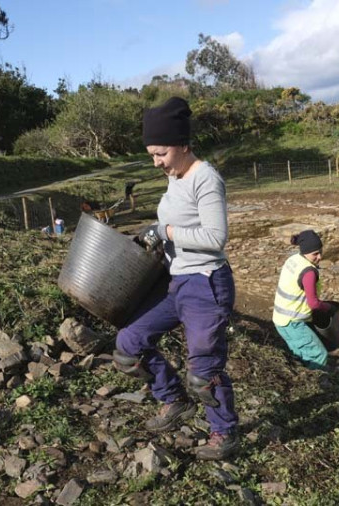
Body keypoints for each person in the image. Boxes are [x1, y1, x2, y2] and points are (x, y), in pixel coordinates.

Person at [112, 97, 239, 461]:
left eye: (161, 153)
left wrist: (166, 230)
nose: (156, 162)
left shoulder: (205, 178)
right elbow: (175, 227)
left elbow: (216, 238)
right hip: (176, 281)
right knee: (129, 344)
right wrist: (155, 239)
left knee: (204, 369)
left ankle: (224, 431)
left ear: (183, 144)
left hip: (206, 283)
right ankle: (172, 399)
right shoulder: (176, 175)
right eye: (152, 154)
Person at [272, 229, 333, 370]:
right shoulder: (309, 272)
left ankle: (305, 375)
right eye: (315, 254)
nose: (320, 257)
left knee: (301, 354)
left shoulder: (293, 259)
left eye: (320, 252)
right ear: (305, 252)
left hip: (280, 320)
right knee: (319, 355)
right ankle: (320, 383)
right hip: (293, 323)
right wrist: (329, 308)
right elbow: (314, 303)